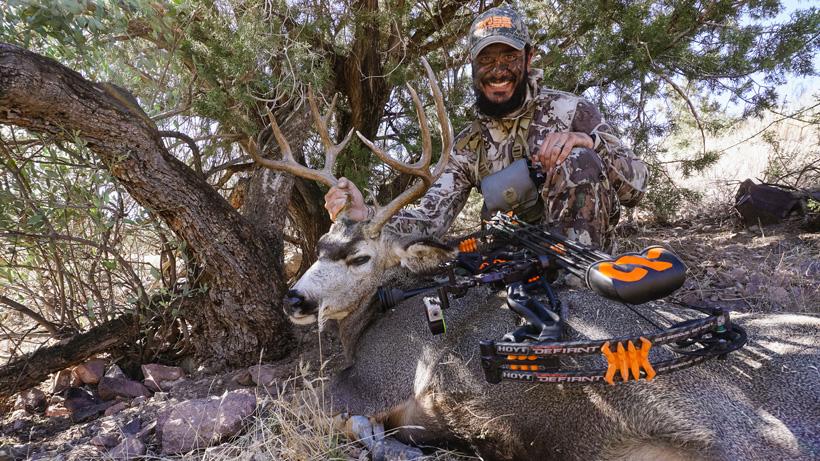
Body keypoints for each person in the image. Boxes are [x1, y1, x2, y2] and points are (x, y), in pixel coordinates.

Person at [325, 5, 648, 250]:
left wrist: (590, 143)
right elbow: (429, 220)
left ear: (529, 58)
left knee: (578, 159)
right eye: (486, 59)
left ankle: (579, 290)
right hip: (513, 262)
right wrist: (366, 215)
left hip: (582, 263)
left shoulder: (572, 111)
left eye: (509, 57)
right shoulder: (468, 144)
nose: (498, 70)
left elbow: (637, 187)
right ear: (472, 64)